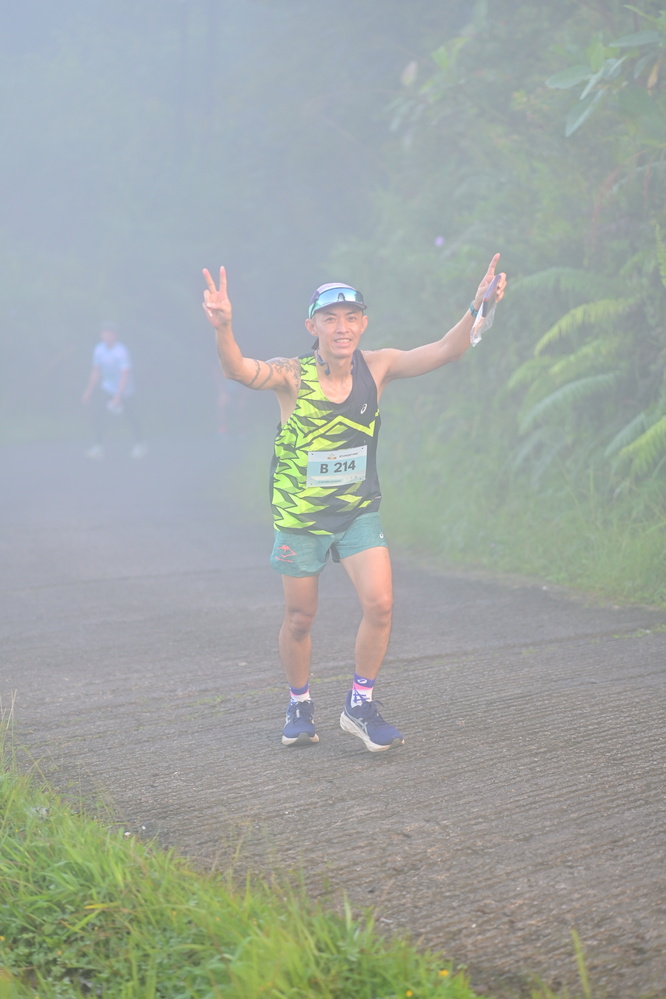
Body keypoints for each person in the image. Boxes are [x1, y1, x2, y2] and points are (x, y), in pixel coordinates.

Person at [202, 257, 506, 752]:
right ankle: (299, 704)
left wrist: (480, 306)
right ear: (313, 327)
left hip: (357, 513)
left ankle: (359, 705)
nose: (341, 327)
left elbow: (447, 350)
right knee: (300, 618)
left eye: (351, 318)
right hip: (301, 518)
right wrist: (223, 327)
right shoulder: (292, 375)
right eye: (330, 318)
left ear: (363, 324)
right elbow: (237, 370)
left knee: (381, 605)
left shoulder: (377, 366)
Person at [81, 323, 146, 459]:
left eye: (110, 333)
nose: (107, 336)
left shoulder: (121, 352)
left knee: (131, 417)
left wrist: (118, 395)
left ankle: (140, 445)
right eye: (104, 333)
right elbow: (96, 371)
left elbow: (125, 374)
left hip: (125, 391)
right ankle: (98, 447)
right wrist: (88, 391)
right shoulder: (99, 349)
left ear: (116, 335)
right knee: (97, 415)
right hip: (107, 388)